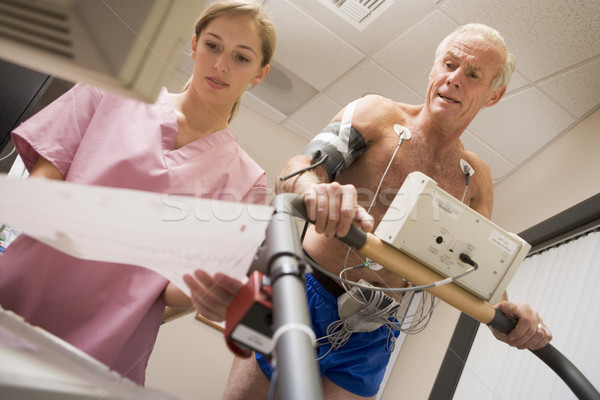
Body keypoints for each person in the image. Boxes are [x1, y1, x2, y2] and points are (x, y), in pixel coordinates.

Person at [212, 23, 554, 399]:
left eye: (473, 75)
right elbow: (298, 170)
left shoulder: (475, 178)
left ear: (494, 94)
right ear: (433, 70)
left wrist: (511, 313)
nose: (454, 79)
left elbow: (484, 279)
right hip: (303, 290)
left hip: (375, 329)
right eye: (449, 64)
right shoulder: (378, 115)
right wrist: (318, 192)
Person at [0, 0, 275, 386]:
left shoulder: (248, 180)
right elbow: (41, 187)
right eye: (213, 46)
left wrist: (208, 291)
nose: (221, 65)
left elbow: (174, 291)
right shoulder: (108, 92)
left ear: (259, 74)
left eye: (241, 57)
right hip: (20, 296)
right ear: (194, 46)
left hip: (106, 343)